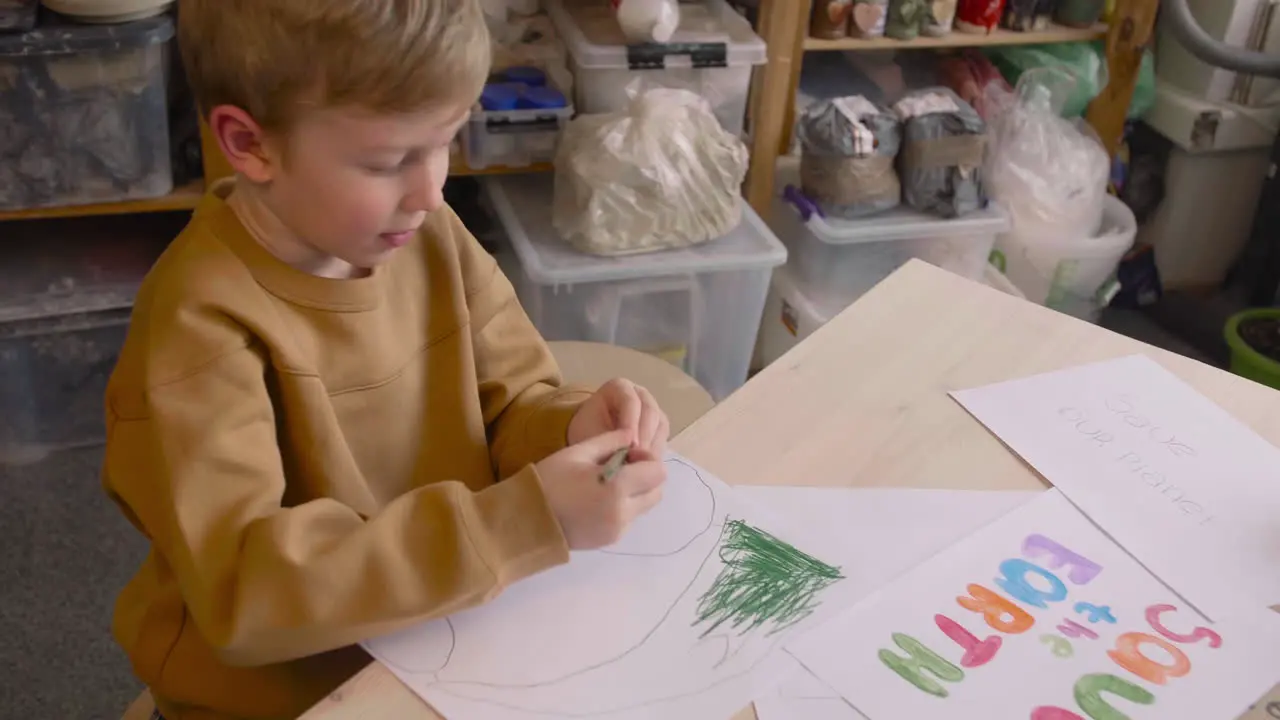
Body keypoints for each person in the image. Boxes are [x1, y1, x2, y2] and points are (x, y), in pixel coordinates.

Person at [102, 2, 671, 718]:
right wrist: (525, 522)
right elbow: (246, 592)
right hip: (281, 699)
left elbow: (511, 402)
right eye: (389, 160)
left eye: (445, 142)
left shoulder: (428, 235)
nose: (431, 190)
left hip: (439, 637)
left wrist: (569, 427)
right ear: (250, 144)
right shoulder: (199, 324)